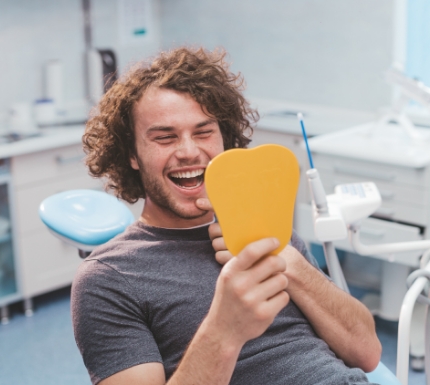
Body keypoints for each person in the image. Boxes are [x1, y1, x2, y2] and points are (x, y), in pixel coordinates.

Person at [71, 47, 382, 385]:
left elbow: (367, 352)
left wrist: (286, 261)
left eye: (204, 133)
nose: (189, 152)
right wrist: (225, 329)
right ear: (131, 153)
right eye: (165, 137)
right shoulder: (107, 279)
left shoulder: (265, 227)